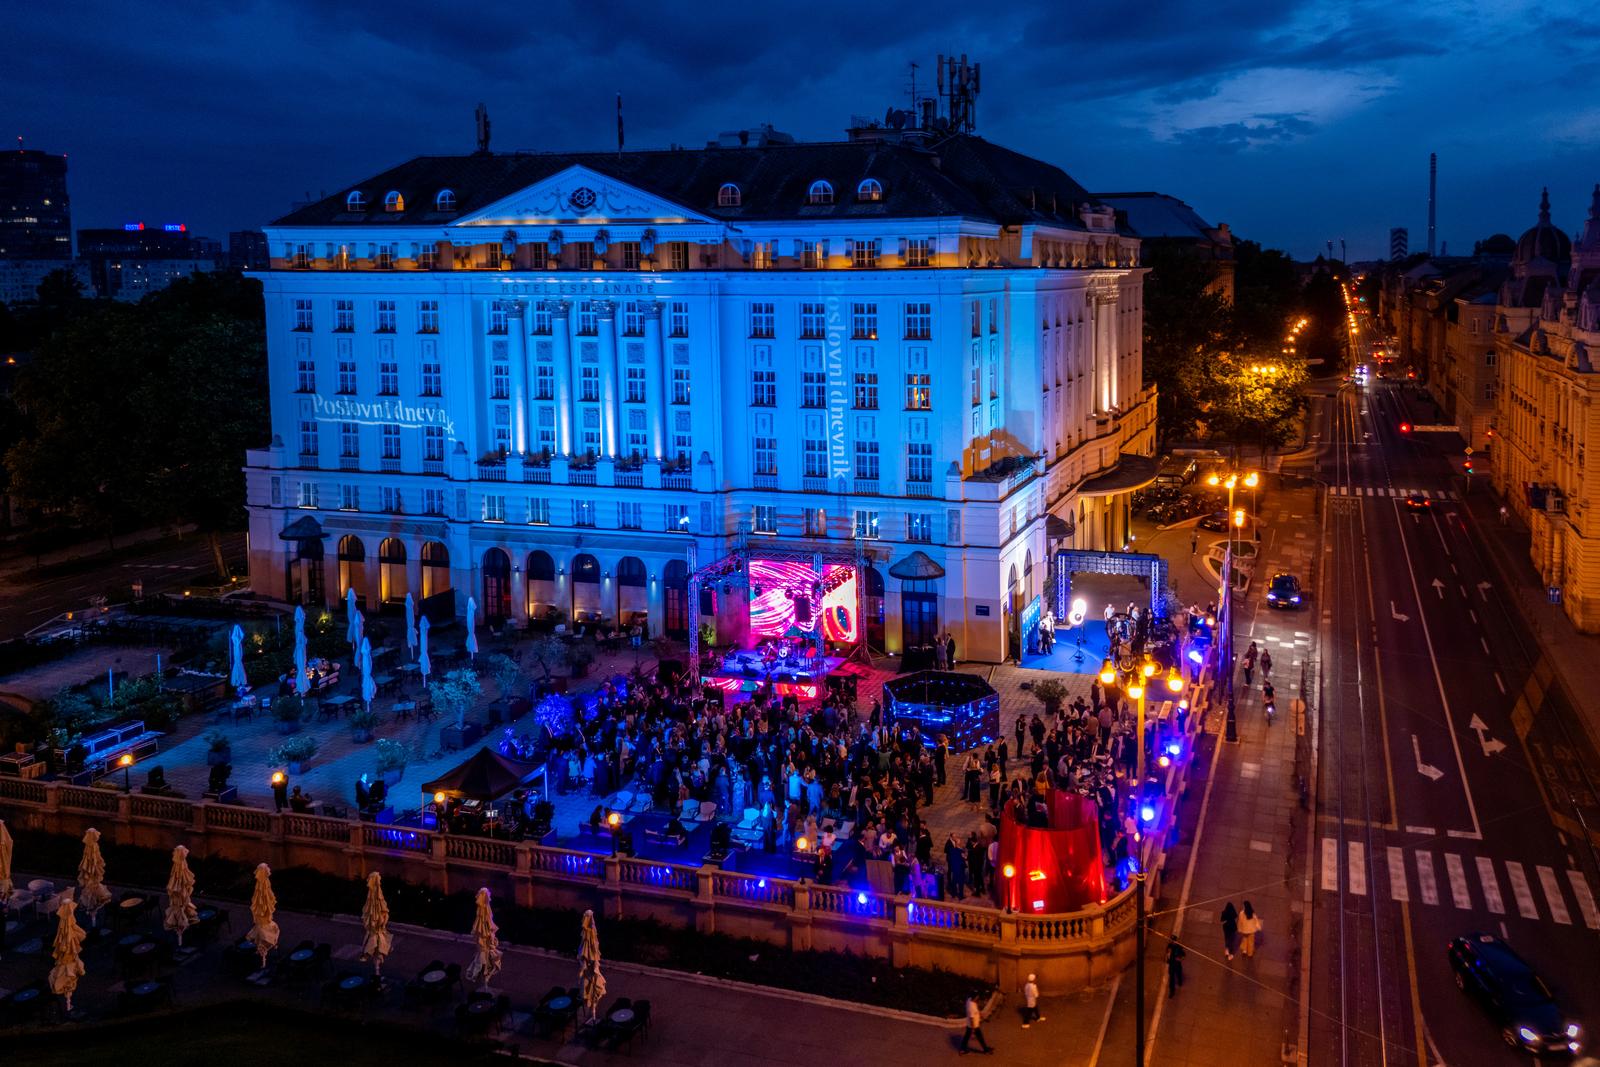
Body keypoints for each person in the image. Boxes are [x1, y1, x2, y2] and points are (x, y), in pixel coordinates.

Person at [946, 831, 968, 900]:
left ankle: (953, 893)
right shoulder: (961, 852)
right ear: (958, 844)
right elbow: (965, 859)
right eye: (960, 843)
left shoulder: (952, 850)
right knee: (961, 882)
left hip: (954, 868)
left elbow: (950, 858)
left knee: (954, 881)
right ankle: (960, 896)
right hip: (960, 869)